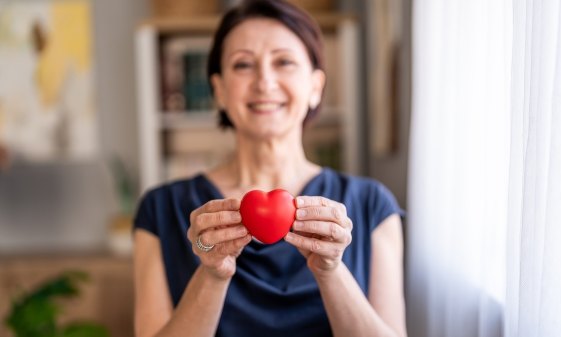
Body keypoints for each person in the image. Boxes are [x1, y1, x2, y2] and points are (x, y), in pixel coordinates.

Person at [133, 1, 407, 336]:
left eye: (284, 62)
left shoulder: (371, 204)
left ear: (315, 87)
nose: (264, 81)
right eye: (243, 64)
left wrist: (331, 271)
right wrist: (213, 274)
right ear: (218, 90)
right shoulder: (161, 209)